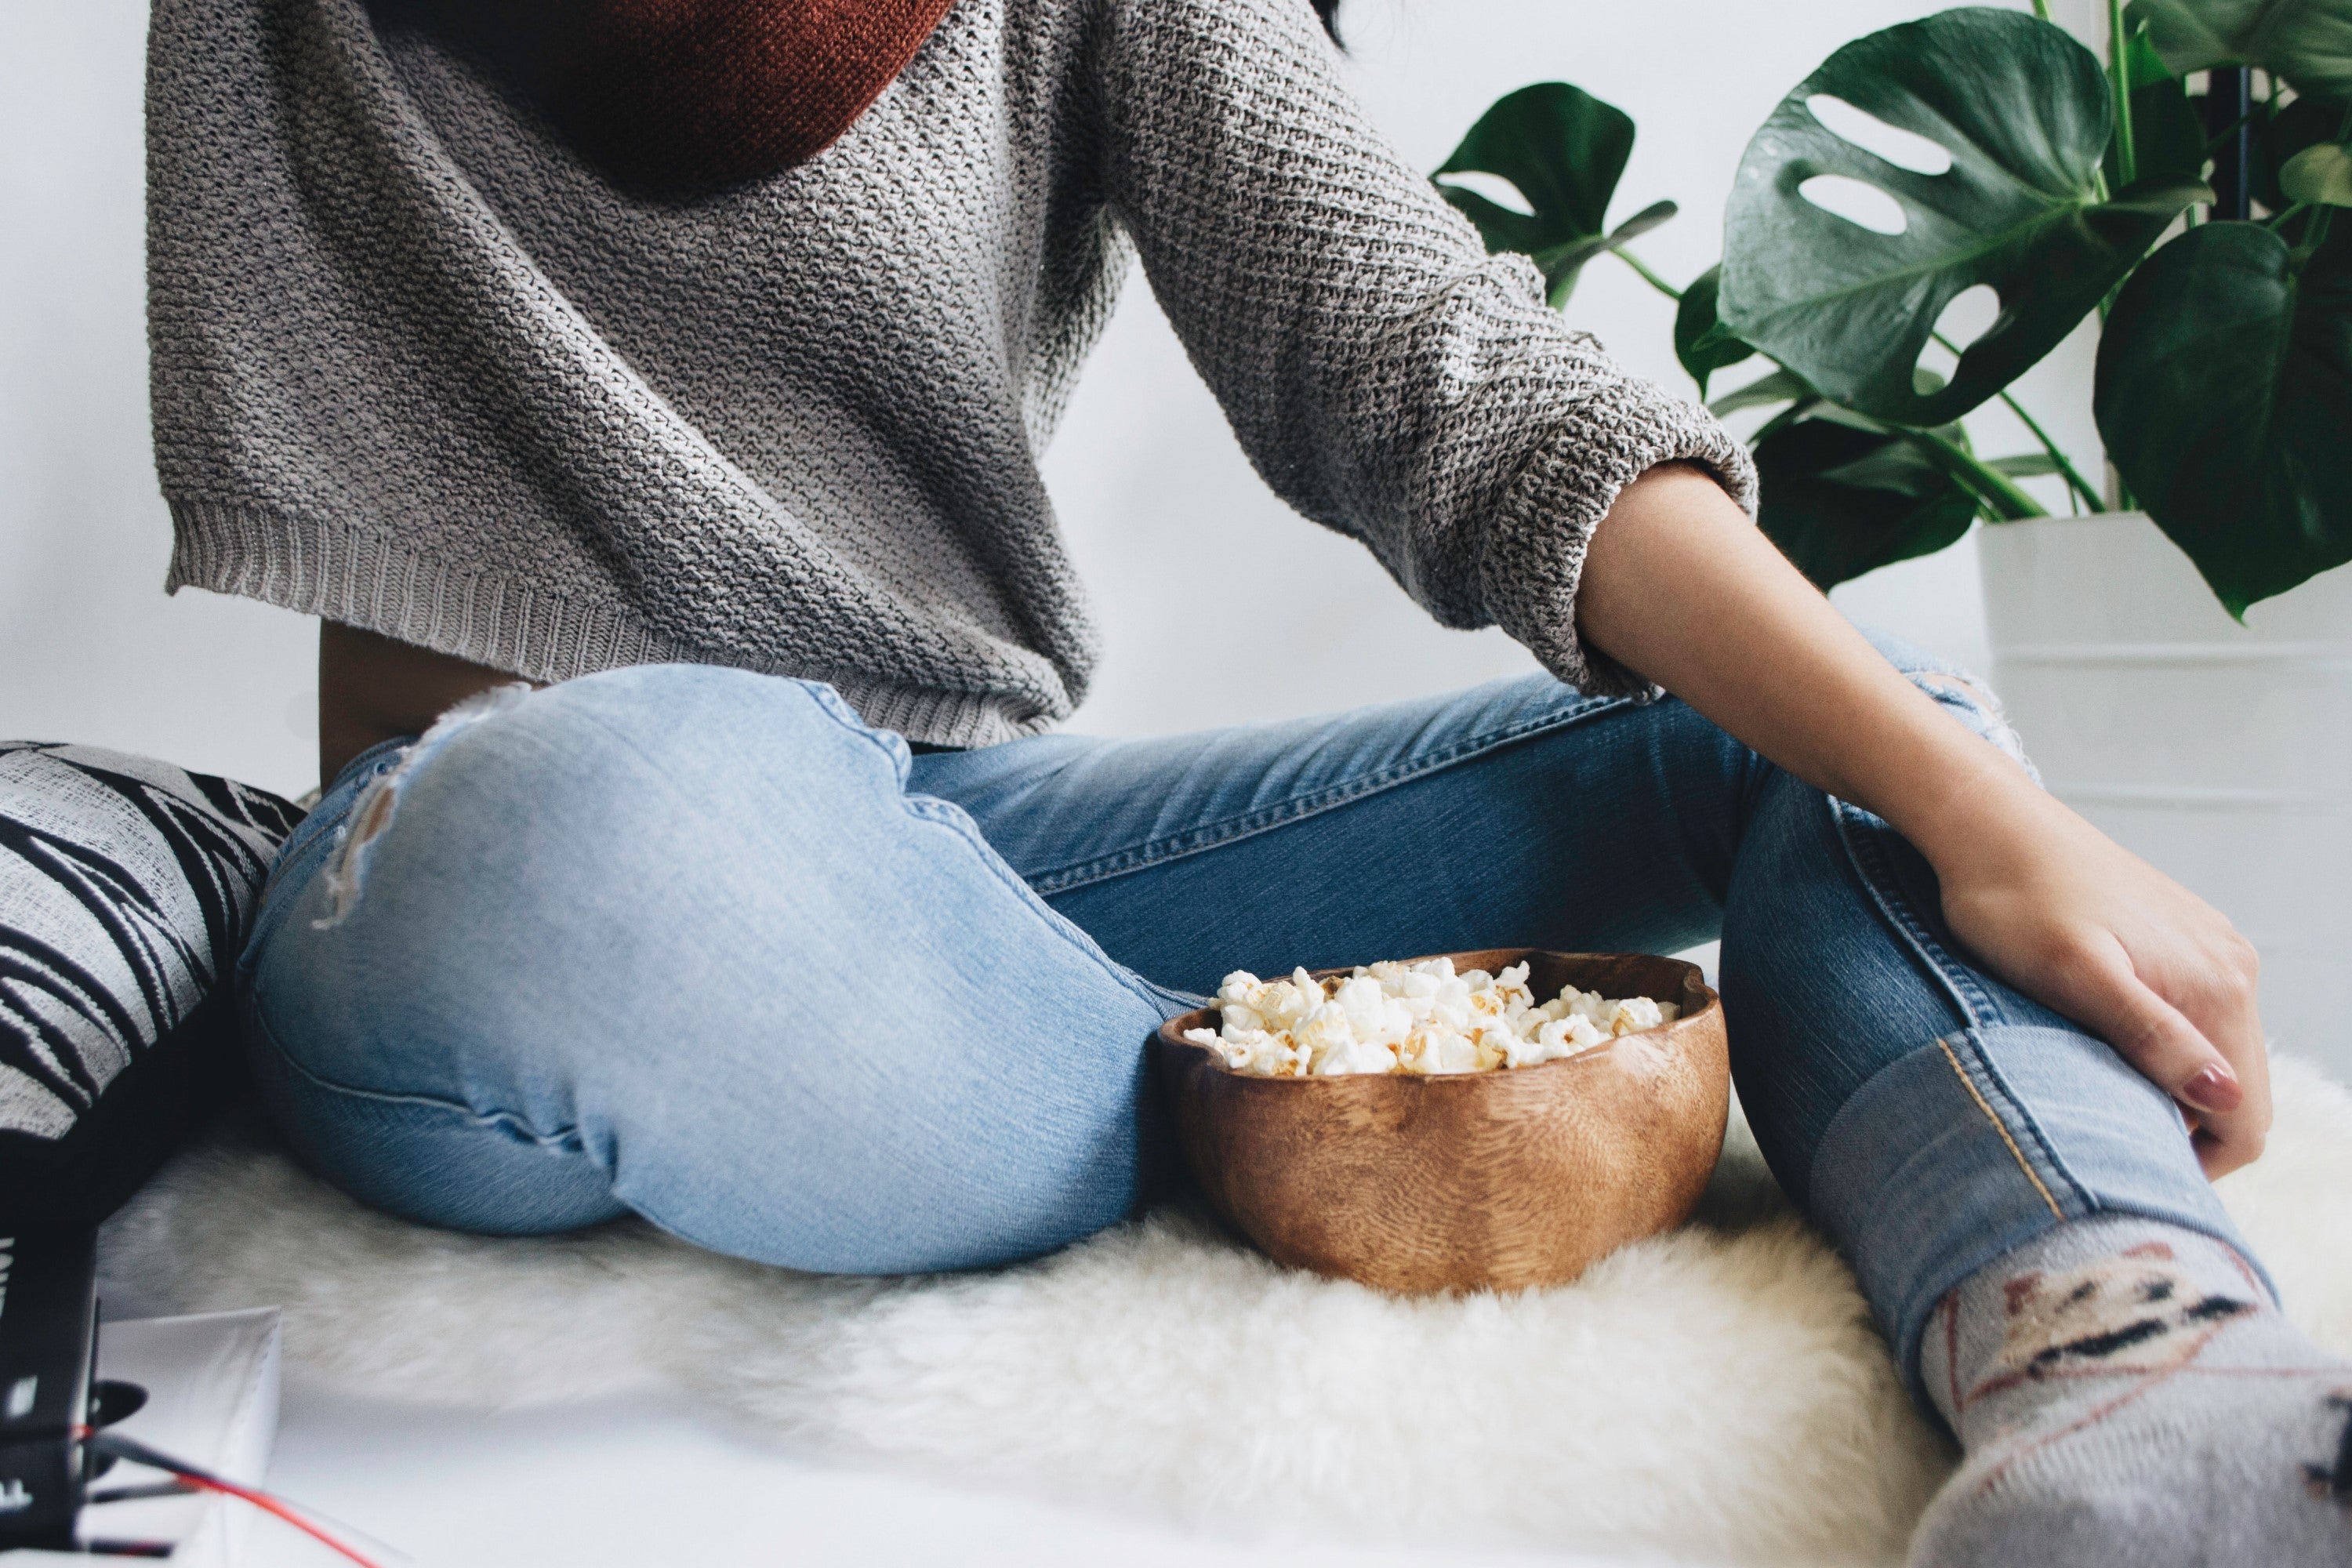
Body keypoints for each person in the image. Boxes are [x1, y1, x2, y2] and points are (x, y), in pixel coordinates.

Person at [146, 0, 2347, 1561]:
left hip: (964, 853)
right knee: (617, 814)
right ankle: (1287, 1103)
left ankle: (2128, 1364)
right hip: (488, 876)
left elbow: (1445, 377)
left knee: (1855, 717)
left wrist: (1994, 817)